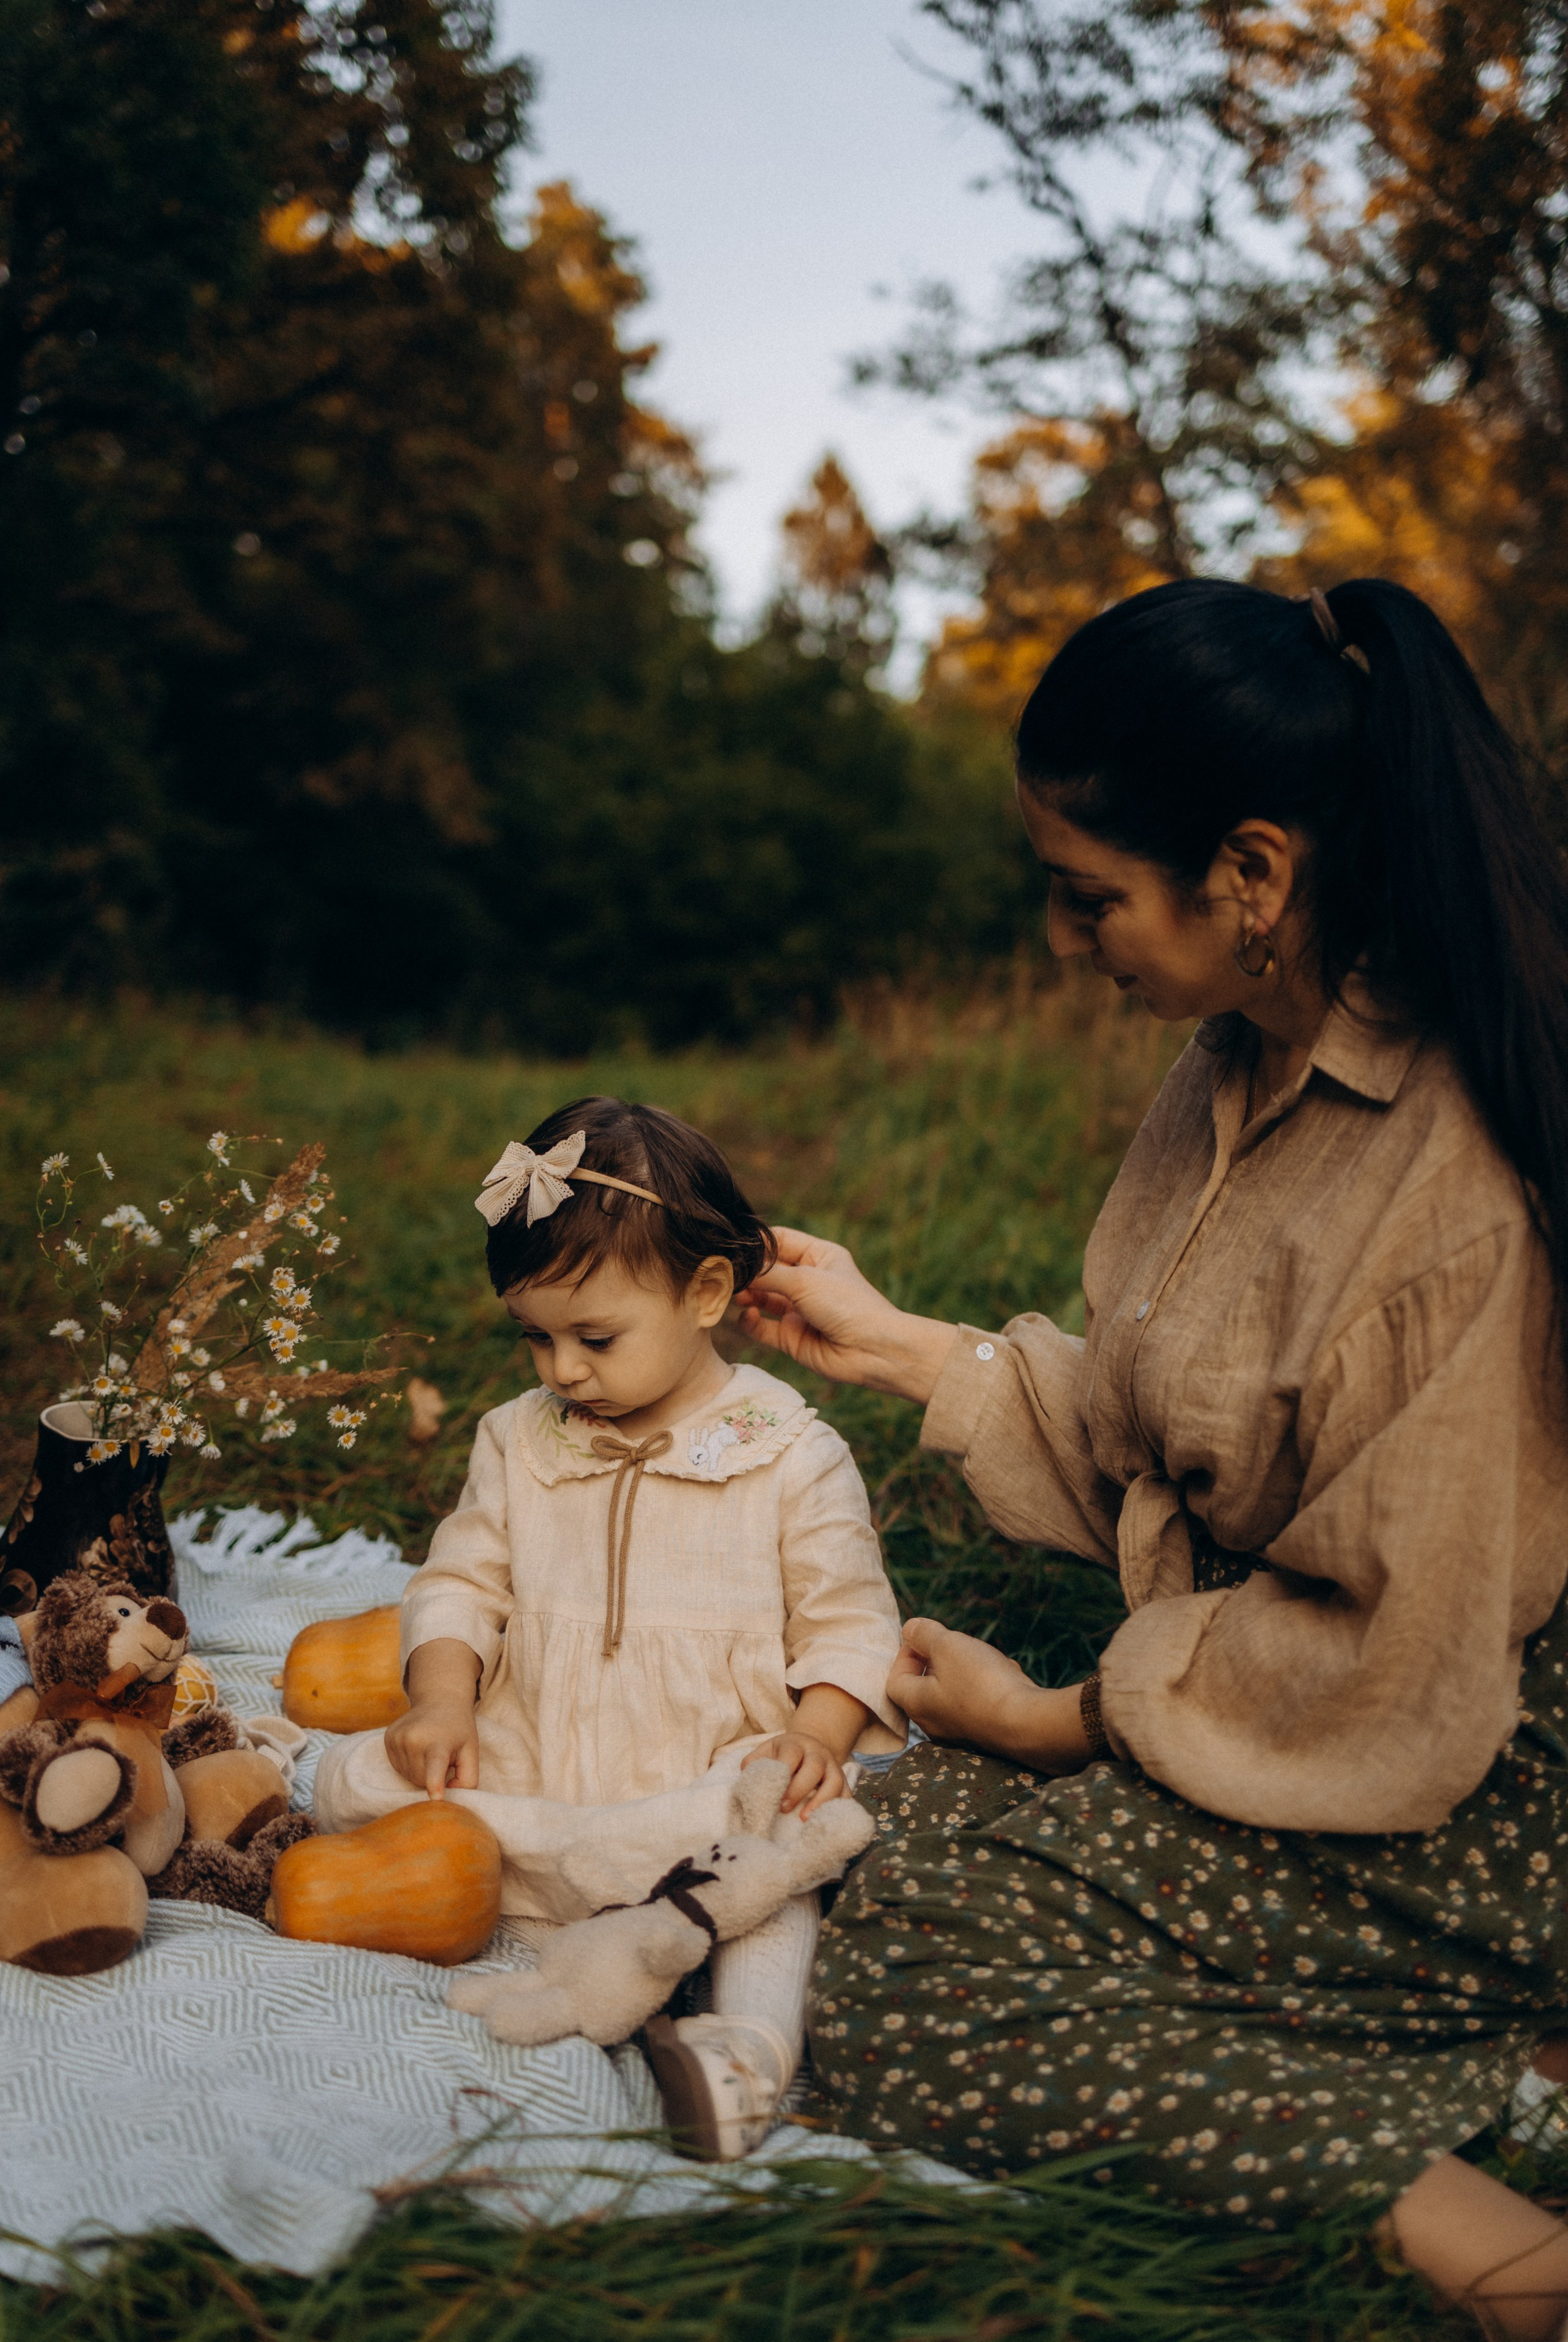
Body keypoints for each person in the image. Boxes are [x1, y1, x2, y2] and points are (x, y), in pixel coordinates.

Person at [738, 579, 1568, 2339]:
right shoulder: (1227, 1069)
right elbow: (1157, 1441)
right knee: (873, 1852)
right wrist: (886, 1340)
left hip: (1482, 1762)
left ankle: (1513, 2260)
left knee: (898, 1992)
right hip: (1321, 1691)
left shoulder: (1454, 1183)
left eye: (1088, 894)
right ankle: (1475, 2050)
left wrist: (1074, 1718)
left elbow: (1396, 1661)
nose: (1065, 937)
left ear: (1251, 875)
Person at [316, 1097, 905, 2160]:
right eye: (533, 1339)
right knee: (356, 1783)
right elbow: (461, 1582)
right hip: (546, 1750)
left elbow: (848, 1617)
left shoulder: (788, 1452)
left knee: (779, 1849)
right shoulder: (517, 1441)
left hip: (707, 1775)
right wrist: (441, 1697)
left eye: (594, 1338)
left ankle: (750, 2049)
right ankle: (542, 1892)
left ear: (708, 1293)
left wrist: (817, 1732)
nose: (562, 1372)